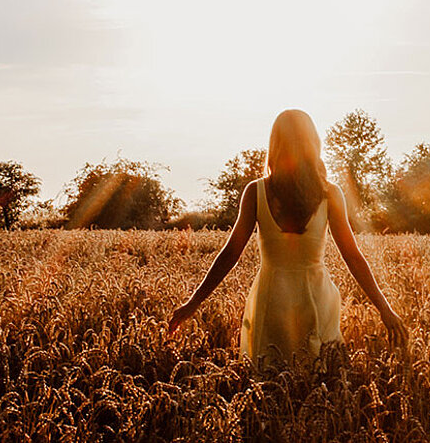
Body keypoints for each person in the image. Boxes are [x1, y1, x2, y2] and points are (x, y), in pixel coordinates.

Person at [168, 109, 407, 364]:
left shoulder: (256, 192)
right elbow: (353, 257)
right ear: (313, 143)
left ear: (275, 145)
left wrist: (193, 303)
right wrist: (385, 309)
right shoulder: (330, 194)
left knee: (270, 387)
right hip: (317, 301)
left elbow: (230, 255)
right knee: (322, 384)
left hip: (271, 302)